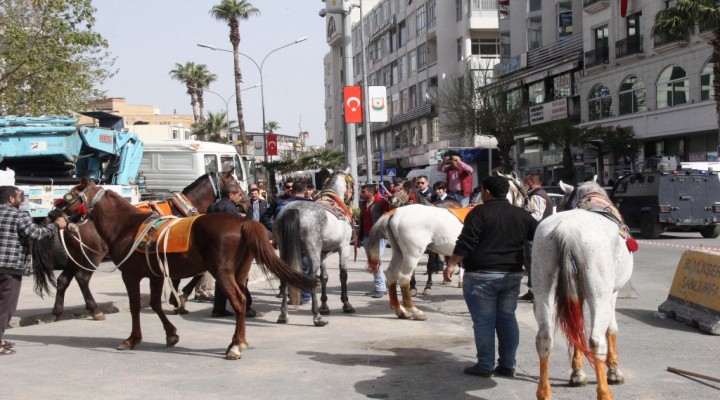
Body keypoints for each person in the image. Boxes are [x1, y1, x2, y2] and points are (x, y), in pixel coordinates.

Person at [443, 176, 538, 378]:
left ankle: (485, 366)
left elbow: (466, 242)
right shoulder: (521, 214)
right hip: (512, 275)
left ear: (486, 192)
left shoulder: (479, 212)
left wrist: (451, 263)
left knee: (484, 322)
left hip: (481, 276)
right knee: (507, 319)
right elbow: (538, 237)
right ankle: (507, 365)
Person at [0, 186, 67, 355]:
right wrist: (56, 225)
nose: (21, 199)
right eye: (18, 196)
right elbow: (35, 234)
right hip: (10, 267)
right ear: (10, 199)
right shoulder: (18, 215)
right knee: (5, 307)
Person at [208, 184, 263, 318]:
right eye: (238, 195)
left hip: (213, 247)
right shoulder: (229, 207)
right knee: (239, 276)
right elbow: (235, 226)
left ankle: (218, 308)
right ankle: (247, 306)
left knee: (221, 277)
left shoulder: (212, 206)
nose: (240, 197)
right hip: (229, 248)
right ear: (230, 195)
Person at [518, 173, 553, 302]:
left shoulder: (536, 196)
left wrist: (521, 221)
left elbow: (536, 216)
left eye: (524, 181)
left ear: (531, 182)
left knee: (532, 264)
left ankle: (535, 292)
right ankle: (533, 291)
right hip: (538, 235)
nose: (522, 183)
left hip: (534, 235)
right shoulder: (540, 194)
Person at [358, 184, 390, 298]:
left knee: (376, 262)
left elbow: (388, 218)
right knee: (373, 263)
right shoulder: (364, 204)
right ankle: (379, 287)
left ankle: (381, 288)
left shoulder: (382, 203)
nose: (361, 194)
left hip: (378, 237)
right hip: (366, 236)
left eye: (363, 192)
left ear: (371, 193)